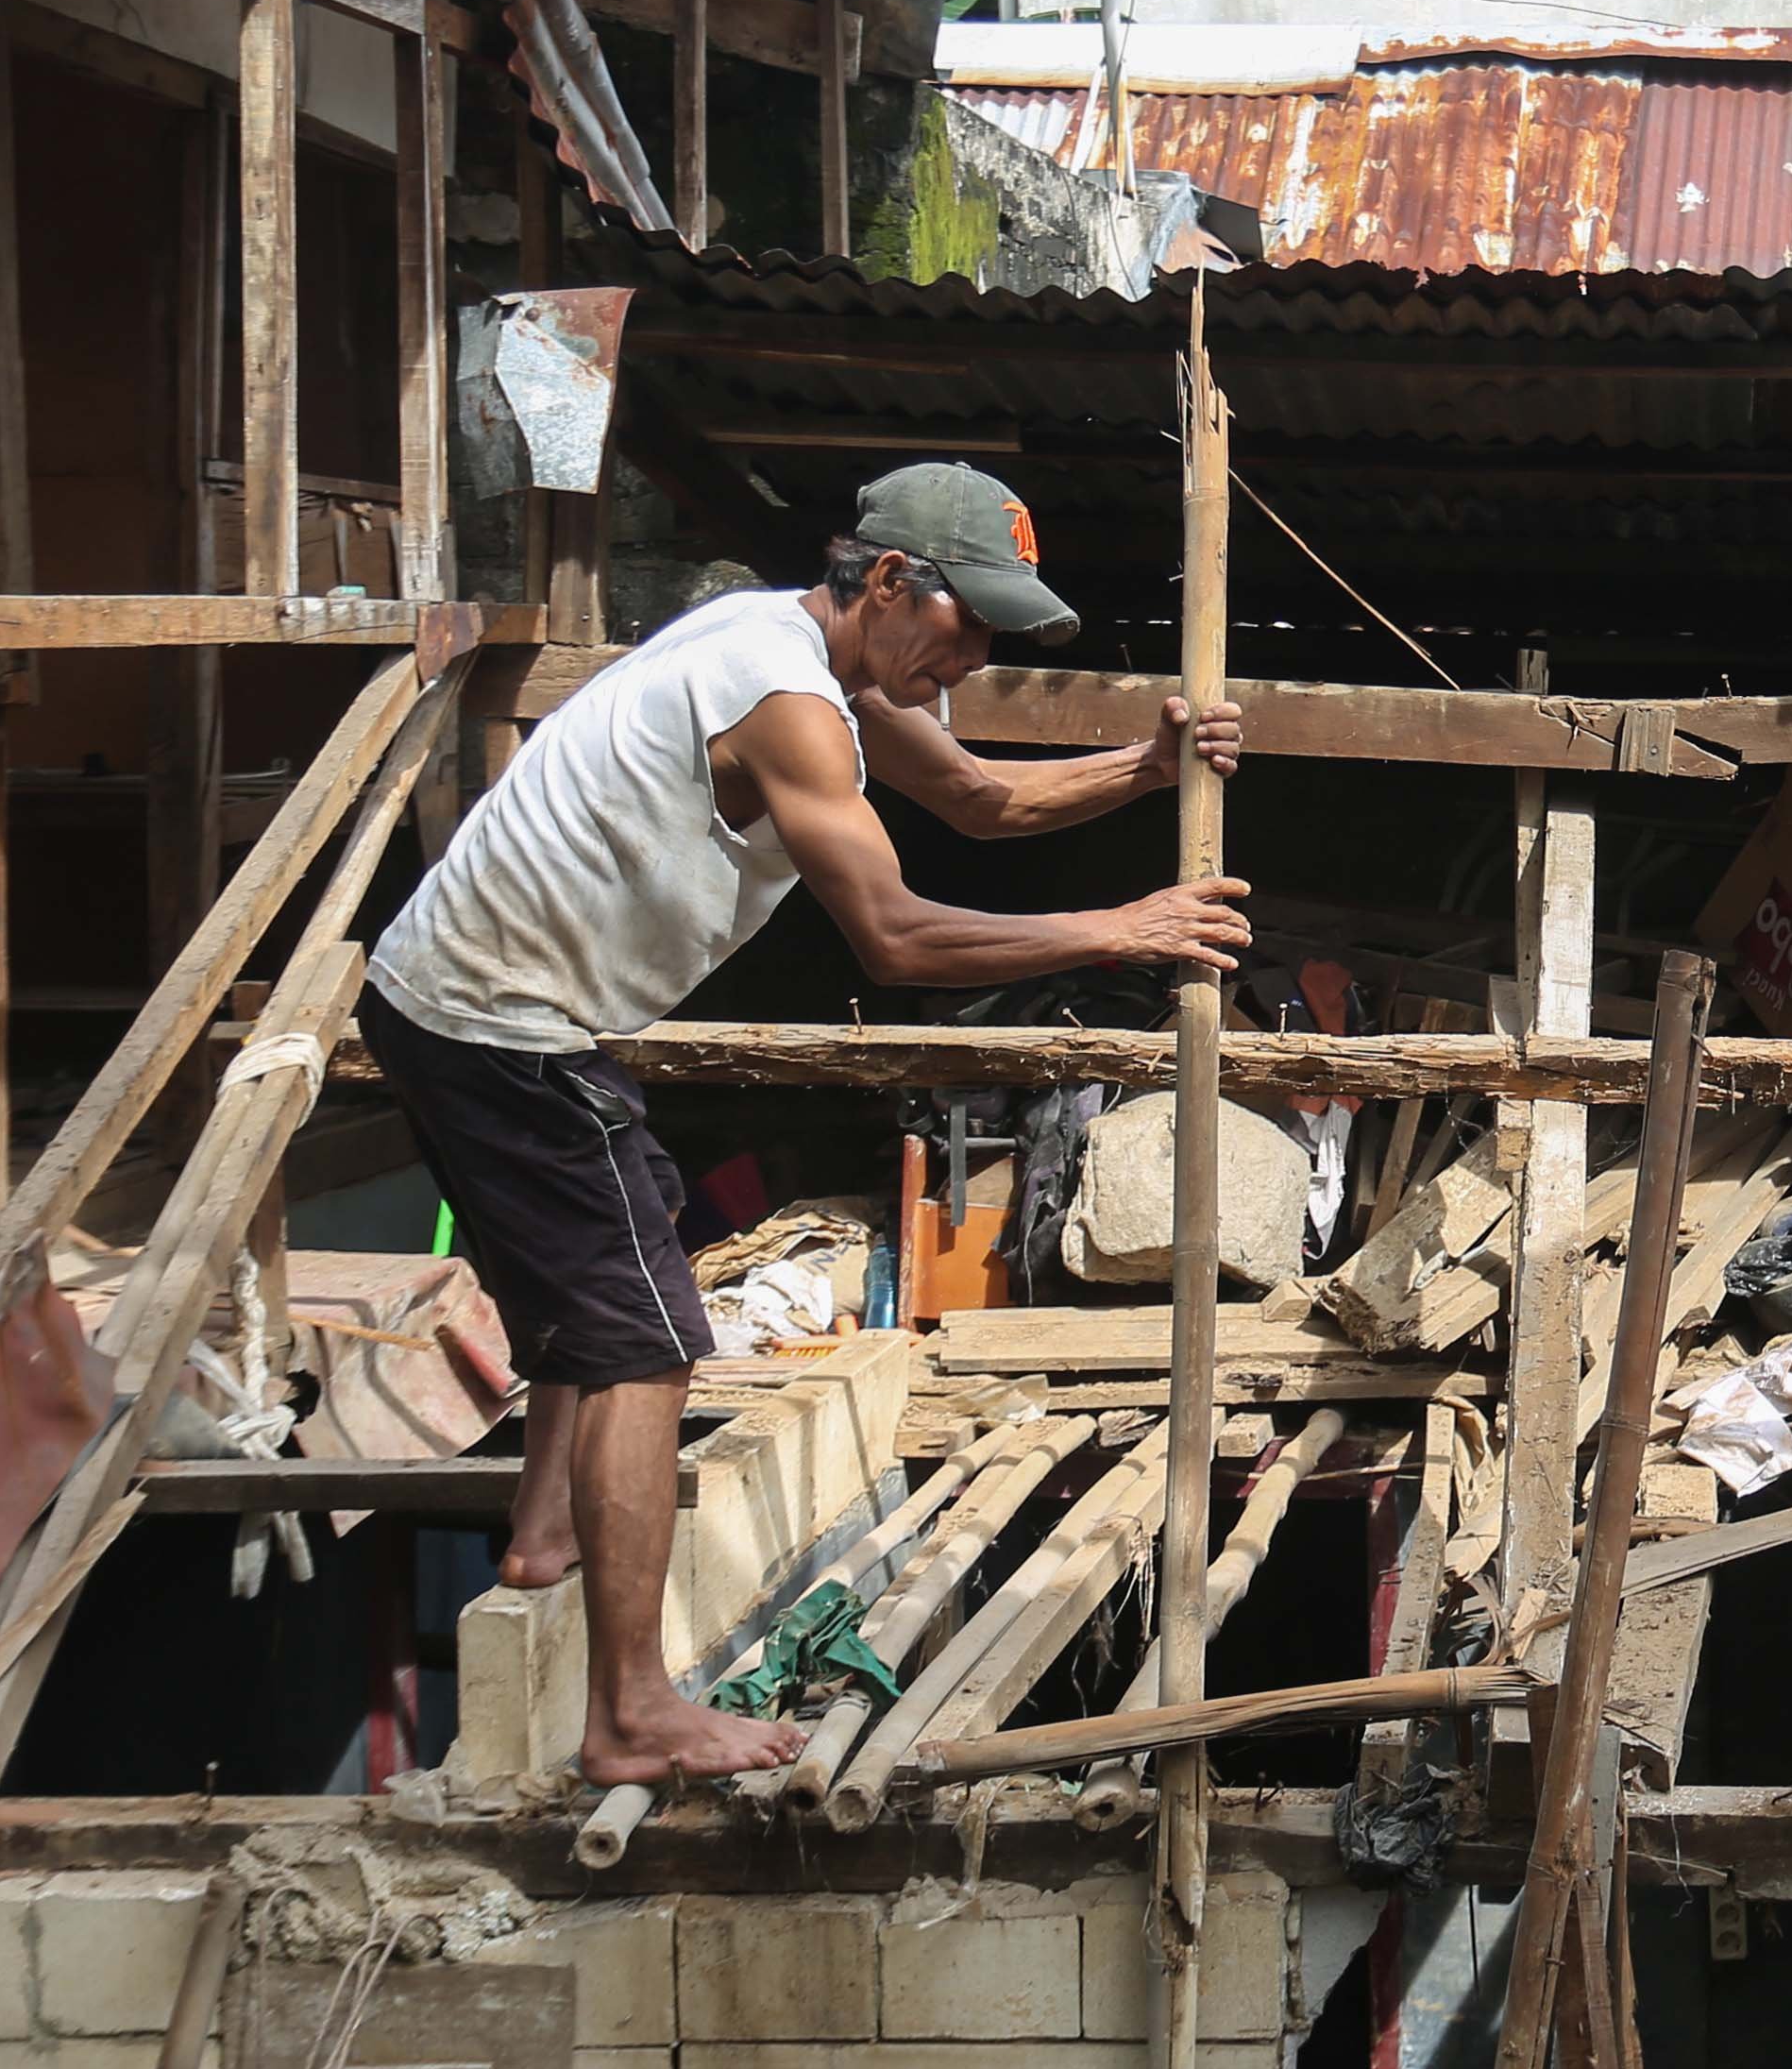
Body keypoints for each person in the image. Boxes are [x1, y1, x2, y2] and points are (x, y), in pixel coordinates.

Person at [361, 460, 1254, 1785]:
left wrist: (1147, 765)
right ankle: (629, 1714)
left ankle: (547, 1536)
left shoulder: (813, 665)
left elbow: (979, 800)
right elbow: (891, 937)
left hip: (472, 1006)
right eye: (968, 627)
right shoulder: (785, 700)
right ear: (890, 581)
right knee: (645, 1344)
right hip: (502, 1028)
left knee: (610, 1257)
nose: (970, 661)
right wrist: (1119, 930)